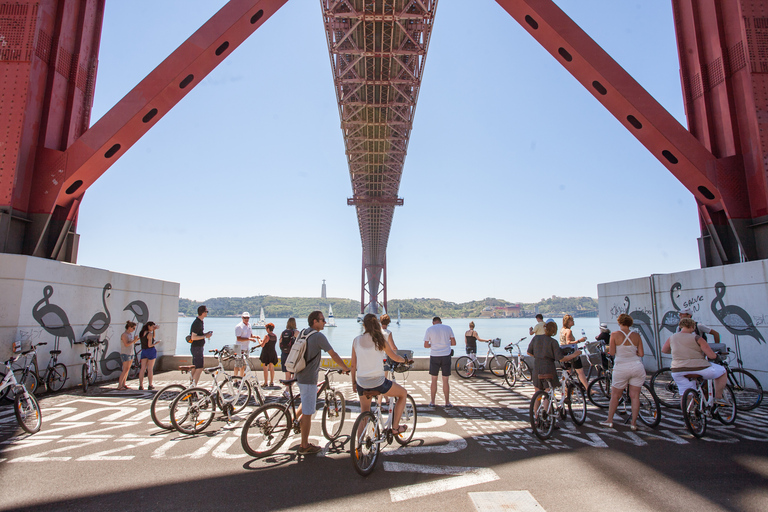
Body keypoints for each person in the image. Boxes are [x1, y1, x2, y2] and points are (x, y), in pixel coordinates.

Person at [294, 310, 350, 455]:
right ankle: (304, 446)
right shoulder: (318, 336)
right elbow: (333, 354)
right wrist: (344, 368)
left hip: (299, 374)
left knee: (304, 400)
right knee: (308, 412)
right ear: (315, 321)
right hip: (308, 379)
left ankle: (293, 419)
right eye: (322, 320)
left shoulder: (303, 332)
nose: (325, 322)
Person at [351, 314, 411, 435]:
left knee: (364, 414)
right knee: (403, 394)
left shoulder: (356, 340)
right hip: (378, 383)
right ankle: (395, 428)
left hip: (362, 383)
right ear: (376, 324)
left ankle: (358, 448)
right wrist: (405, 361)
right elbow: (394, 357)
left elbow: (353, 365)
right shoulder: (380, 340)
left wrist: (353, 383)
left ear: (364, 325)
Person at [662, 317, 728, 407]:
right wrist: (717, 357)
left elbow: (664, 350)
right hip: (699, 368)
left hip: (677, 370)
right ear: (692, 326)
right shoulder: (697, 338)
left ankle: (688, 415)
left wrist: (679, 351)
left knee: (685, 395)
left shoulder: (672, 338)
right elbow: (711, 355)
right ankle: (718, 397)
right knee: (722, 371)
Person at [600, 314, 646, 430]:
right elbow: (641, 354)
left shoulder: (615, 335)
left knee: (615, 395)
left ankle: (609, 420)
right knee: (635, 396)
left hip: (621, 367)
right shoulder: (636, 335)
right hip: (637, 366)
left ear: (619, 322)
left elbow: (612, 352)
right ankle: (634, 423)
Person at [527, 320, 582, 393]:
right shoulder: (553, 342)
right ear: (554, 331)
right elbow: (561, 359)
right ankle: (547, 403)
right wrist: (574, 354)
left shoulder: (536, 338)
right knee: (548, 392)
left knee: (537, 393)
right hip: (548, 368)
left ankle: (536, 404)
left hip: (537, 367)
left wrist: (538, 356)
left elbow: (528, 352)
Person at [424, 316, 456, 408]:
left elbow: (426, 345)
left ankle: (433, 402)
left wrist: (433, 344)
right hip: (446, 355)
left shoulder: (429, 329)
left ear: (433, 322)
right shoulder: (448, 328)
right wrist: (445, 344)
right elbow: (454, 343)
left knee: (434, 379)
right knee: (445, 380)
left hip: (434, 356)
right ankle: (447, 402)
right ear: (441, 322)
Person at [560, 315, 588, 390]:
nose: (573, 321)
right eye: (572, 320)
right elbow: (568, 342)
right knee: (580, 372)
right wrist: (579, 341)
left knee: (567, 373)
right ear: (568, 322)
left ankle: (566, 389)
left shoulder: (562, 330)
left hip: (564, 354)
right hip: (572, 354)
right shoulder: (569, 331)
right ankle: (588, 389)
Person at [189, 305, 213, 385]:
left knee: (195, 368)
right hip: (197, 348)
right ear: (203, 312)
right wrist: (205, 336)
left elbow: (198, 334)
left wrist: (205, 334)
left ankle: (191, 387)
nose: (207, 313)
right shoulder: (197, 323)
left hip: (197, 348)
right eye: (206, 311)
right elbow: (193, 337)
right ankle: (193, 388)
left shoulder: (200, 322)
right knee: (199, 368)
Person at [234, 312, 259, 378]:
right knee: (238, 365)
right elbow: (238, 338)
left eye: (247, 318)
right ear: (242, 318)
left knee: (243, 365)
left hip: (246, 347)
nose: (246, 319)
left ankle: (241, 379)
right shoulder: (239, 326)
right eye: (245, 318)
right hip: (239, 347)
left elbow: (250, 335)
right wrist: (250, 339)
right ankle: (236, 379)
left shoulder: (249, 325)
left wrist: (256, 337)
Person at [137, 321, 159, 390]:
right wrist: (156, 343)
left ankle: (140, 385)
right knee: (150, 369)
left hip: (144, 351)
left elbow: (153, 337)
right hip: (150, 351)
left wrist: (154, 331)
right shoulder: (149, 334)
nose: (153, 328)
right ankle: (150, 384)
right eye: (152, 327)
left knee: (142, 368)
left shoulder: (142, 333)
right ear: (149, 326)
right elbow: (150, 345)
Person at [118, 321, 137, 390]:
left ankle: (124, 384)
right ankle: (120, 385)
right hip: (125, 353)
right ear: (129, 327)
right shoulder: (124, 335)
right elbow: (126, 344)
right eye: (133, 328)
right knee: (125, 369)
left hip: (130, 353)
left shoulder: (130, 334)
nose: (134, 330)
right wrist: (134, 340)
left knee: (127, 369)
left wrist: (135, 340)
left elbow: (131, 343)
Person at [259, 323, 278, 387]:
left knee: (265, 368)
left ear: (268, 329)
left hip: (266, 353)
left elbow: (262, 345)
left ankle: (265, 382)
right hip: (272, 352)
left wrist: (259, 340)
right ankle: (272, 382)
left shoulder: (267, 336)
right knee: (271, 368)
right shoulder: (275, 336)